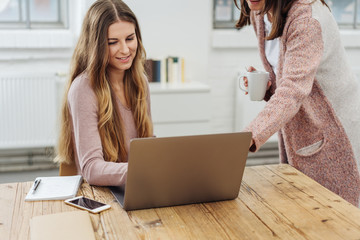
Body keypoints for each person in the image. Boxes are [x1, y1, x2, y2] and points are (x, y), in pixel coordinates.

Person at [235, 0, 360, 206]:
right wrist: (269, 84)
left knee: (334, 217)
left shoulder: (307, 20)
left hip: (334, 130)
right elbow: (290, 74)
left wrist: (247, 136)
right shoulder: (260, 11)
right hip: (302, 128)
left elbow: (293, 90)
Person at [55, 0, 153, 186]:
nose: (125, 49)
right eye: (113, 42)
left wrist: (164, 161)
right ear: (96, 46)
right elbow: (91, 168)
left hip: (133, 186)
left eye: (130, 38)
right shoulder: (83, 89)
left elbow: (145, 145)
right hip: (98, 193)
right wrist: (142, 169)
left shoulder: (140, 82)